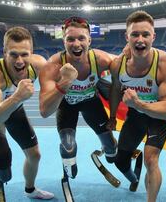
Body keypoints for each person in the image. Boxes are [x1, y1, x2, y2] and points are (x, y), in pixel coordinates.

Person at [0, 26, 55, 200]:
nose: (19, 61)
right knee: (3, 156)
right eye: (13, 54)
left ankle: (30, 190)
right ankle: (2, 176)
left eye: (24, 54)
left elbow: (60, 78)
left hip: (15, 107)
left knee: (35, 155)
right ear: (5, 52)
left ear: (32, 53)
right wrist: (17, 97)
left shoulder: (38, 64)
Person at [107, 11, 166, 202]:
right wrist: (113, 116)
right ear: (126, 37)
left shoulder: (165, 65)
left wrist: (138, 103)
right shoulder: (117, 65)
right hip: (136, 117)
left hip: (158, 117)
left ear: (153, 37)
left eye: (145, 34)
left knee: (151, 159)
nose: (140, 39)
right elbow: (115, 89)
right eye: (135, 35)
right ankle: (134, 175)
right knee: (120, 160)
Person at [39, 16, 118, 182]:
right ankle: (68, 167)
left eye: (81, 38)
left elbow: (130, 64)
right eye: (70, 39)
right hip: (67, 105)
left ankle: (109, 149)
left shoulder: (102, 60)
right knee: (68, 145)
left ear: (89, 40)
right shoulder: (53, 66)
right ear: (64, 42)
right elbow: (45, 111)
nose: (76, 44)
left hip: (92, 103)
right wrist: (65, 83)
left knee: (112, 151)